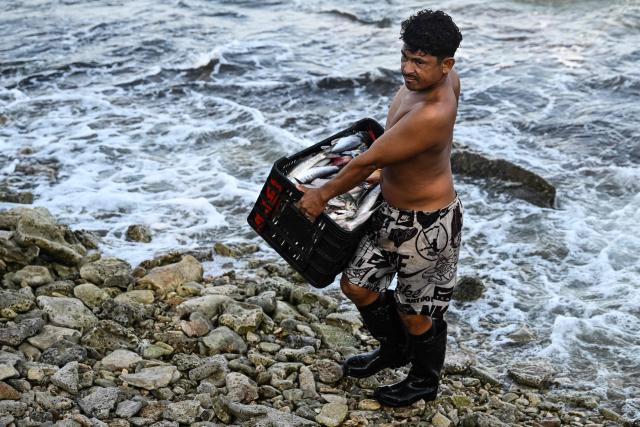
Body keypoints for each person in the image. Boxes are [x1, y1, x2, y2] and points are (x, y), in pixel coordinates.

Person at [297, 9, 464, 407]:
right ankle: (395, 349)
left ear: (447, 66)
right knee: (356, 285)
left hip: (427, 225)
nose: (407, 69)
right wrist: (388, 172)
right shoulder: (430, 80)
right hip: (389, 209)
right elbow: (387, 157)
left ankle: (424, 380)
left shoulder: (432, 111)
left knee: (416, 312)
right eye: (405, 56)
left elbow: (365, 161)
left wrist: (320, 195)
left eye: (419, 63)